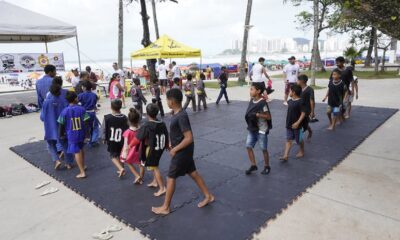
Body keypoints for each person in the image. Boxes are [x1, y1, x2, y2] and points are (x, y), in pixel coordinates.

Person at [152, 89, 214, 215]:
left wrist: (175, 148)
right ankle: (208, 196)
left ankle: (165, 207)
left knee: (170, 177)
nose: (166, 102)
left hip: (182, 152)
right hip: (184, 150)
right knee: (193, 173)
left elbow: (189, 137)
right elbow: (178, 134)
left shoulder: (181, 116)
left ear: (172, 101)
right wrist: (171, 144)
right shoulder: (176, 113)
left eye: (167, 100)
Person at [135, 103, 169, 197]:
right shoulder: (162, 123)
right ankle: (155, 181)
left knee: (154, 167)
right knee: (154, 165)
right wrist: (167, 145)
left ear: (147, 114)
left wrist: (129, 146)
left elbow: (138, 138)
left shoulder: (147, 125)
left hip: (152, 149)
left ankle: (162, 188)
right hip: (160, 148)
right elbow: (166, 134)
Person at [40, 77, 74, 170]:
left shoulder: (46, 102)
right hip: (62, 126)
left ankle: (57, 160)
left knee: (51, 145)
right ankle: (68, 163)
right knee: (65, 145)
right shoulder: (64, 100)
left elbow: (42, 117)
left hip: (50, 127)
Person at [58, 91, 90, 179]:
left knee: (76, 152)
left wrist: (61, 134)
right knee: (81, 149)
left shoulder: (64, 111)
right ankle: (83, 166)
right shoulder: (82, 109)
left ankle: (82, 172)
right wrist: (87, 135)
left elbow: (61, 123)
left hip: (72, 134)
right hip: (81, 133)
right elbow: (86, 122)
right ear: (76, 98)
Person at [244, 83, 271, 175]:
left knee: (263, 149)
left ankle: (267, 166)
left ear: (258, 91)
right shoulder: (252, 101)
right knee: (248, 146)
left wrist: (258, 114)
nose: (250, 91)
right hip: (253, 129)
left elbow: (268, 117)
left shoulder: (262, 103)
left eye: (252, 89)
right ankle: (253, 165)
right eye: (250, 89)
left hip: (261, 130)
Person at [101, 99, 129, 178]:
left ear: (111, 107)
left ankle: (120, 168)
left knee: (113, 156)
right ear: (120, 107)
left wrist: (103, 138)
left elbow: (104, 129)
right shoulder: (124, 117)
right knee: (121, 155)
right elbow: (127, 129)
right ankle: (122, 168)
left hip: (112, 140)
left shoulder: (107, 118)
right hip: (122, 140)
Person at [280, 84, 306, 161]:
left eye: (290, 91)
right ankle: (285, 156)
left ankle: (302, 150)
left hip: (297, 125)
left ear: (294, 92)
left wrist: (298, 123)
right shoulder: (290, 101)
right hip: (289, 124)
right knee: (288, 139)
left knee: (299, 140)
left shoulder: (301, 102)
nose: (289, 92)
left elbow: (303, 113)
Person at [120, 108, 145, 184]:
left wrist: (124, 155)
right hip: (141, 150)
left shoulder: (127, 132)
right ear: (139, 119)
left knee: (128, 162)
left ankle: (137, 176)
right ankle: (141, 178)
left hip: (131, 151)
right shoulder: (142, 130)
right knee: (141, 164)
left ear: (129, 121)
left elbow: (125, 145)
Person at [78, 80, 99, 147]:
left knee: (85, 127)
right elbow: (95, 103)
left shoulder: (80, 95)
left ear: (84, 87)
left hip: (84, 113)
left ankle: (85, 139)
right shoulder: (94, 95)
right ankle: (93, 140)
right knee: (95, 127)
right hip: (92, 112)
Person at [297, 74, 315, 140]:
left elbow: (312, 101)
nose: (297, 81)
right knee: (304, 123)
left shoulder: (310, 90)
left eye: (298, 80)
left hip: (306, 110)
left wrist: (312, 111)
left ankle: (299, 139)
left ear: (302, 81)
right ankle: (310, 131)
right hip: (299, 109)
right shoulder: (298, 88)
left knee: (300, 124)